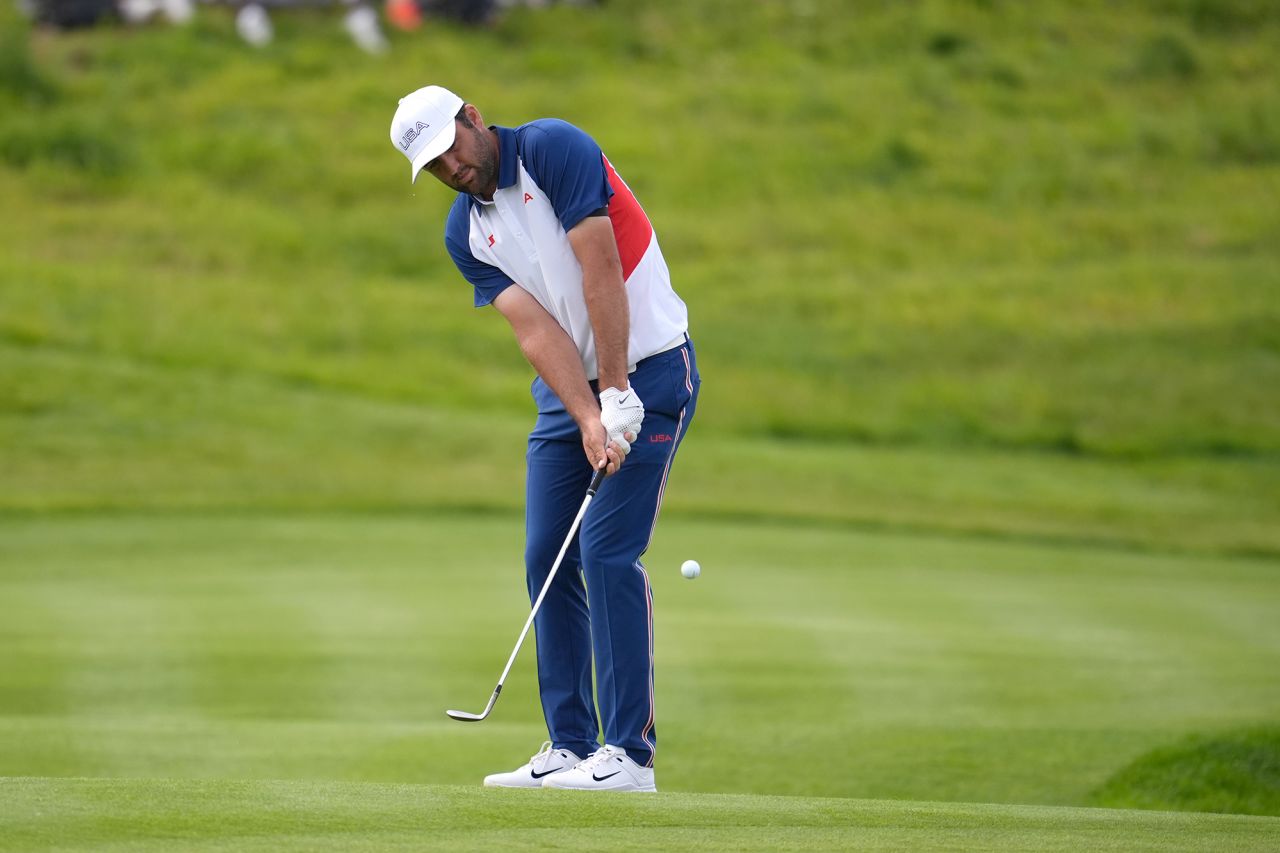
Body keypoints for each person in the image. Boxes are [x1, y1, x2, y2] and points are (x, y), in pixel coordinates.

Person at [389, 86, 700, 792]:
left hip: (649, 364)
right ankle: (569, 743)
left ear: (473, 118)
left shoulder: (553, 148)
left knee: (606, 550)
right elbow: (536, 329)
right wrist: (589, 413)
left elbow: (601, 268)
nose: (450, 168)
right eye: (432, 165)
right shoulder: (463, 232)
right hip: (571, 394)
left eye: (449, 149)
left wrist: (618, 393)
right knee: (545, 555)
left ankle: (628, 755)